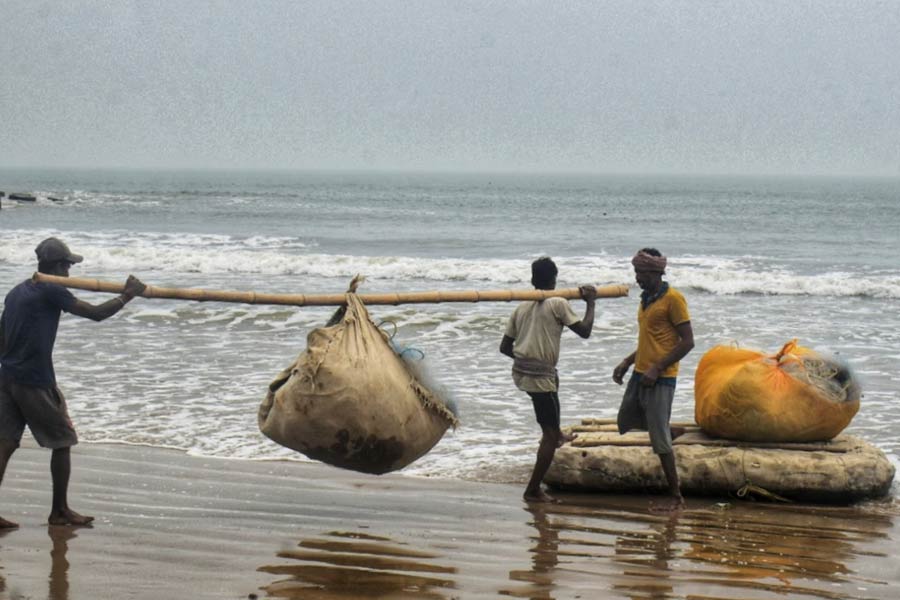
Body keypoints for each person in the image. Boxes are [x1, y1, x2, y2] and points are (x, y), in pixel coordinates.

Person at [0, 237, 146, 528]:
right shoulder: (52, 290)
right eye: (67, 266)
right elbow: (94, 314)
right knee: (63, 440)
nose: (69, 273)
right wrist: (127, 295)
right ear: (57, 266)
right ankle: (60, 511)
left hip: (7, 377)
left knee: (4, 443)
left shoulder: (17, 292)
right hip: (34, 380)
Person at [500, 257, 596, 503]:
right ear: (554, 278)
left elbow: (504, 347)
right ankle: (533, 490)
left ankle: (556, 432)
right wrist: (591, 303)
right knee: (549, 436)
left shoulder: (521, 307)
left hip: (522, 373)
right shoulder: (558, 303)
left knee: (554, 382)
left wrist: (526, 358)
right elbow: (584, 331)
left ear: (533, 280)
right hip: (538, 377)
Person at [613, 248, 694, 512]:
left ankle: (676, 496)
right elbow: (648, 340)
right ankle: (668, 432)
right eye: (636, 272)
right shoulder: (646, 299)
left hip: (661, 376)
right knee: (625, 421)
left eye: (642, 273)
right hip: (640, 372)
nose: (638, 278)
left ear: (657, 272)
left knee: (658, 440)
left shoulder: (674, 299)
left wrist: (658, 368)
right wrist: (627, 362)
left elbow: (688, 342)